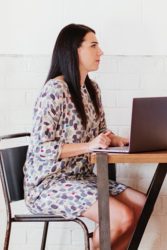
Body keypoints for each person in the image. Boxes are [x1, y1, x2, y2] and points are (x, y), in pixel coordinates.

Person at [24, 24, 146, 250]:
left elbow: (100, 134)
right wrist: (89, 146)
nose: (101, 52)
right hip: (49, 186)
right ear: (74, 50)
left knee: (141, 206)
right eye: (94, 45)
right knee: (121, 217)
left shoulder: (92, 89)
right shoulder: (54, 90)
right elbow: (41, 148)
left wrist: (118, 139)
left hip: (81, 179)